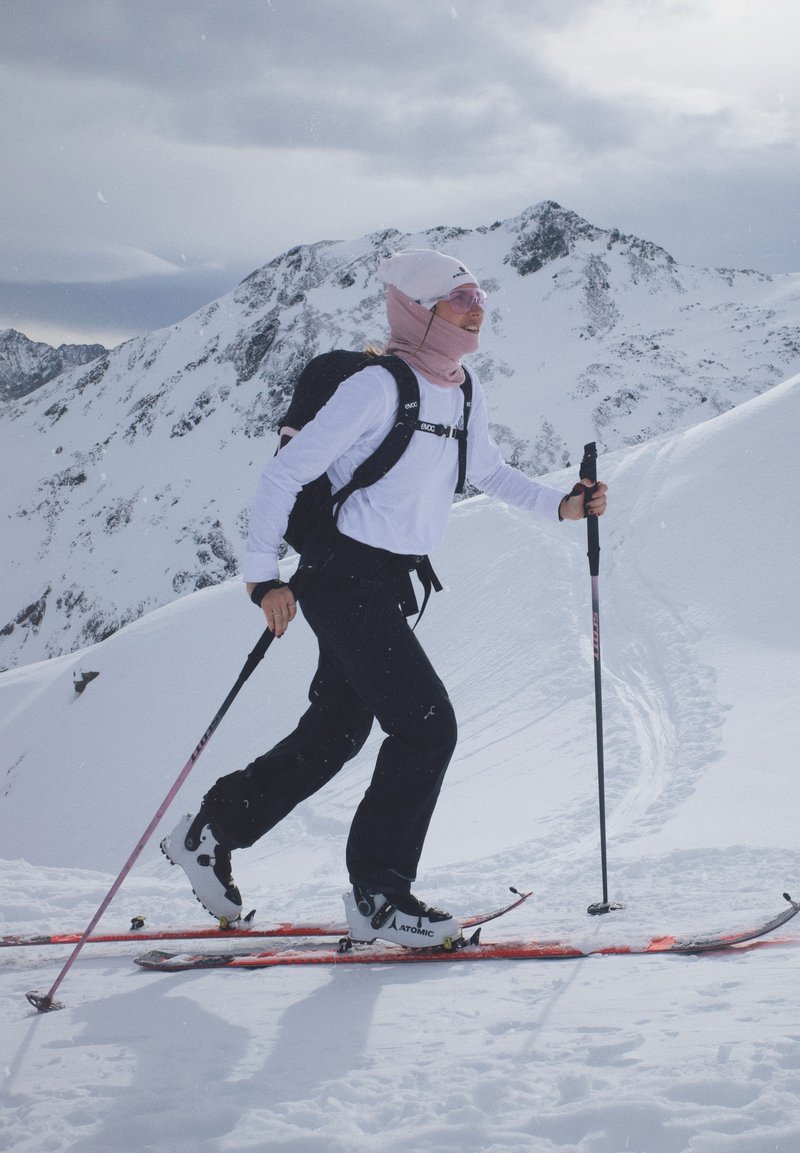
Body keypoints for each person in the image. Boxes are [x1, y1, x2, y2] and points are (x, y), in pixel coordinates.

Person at [162, 249, 608, 946]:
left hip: (384, 583)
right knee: (427, 727)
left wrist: (562, 505)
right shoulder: (376, 387)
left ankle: (211, 830)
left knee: (338, 731)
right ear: (418, 309)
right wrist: (263, 577)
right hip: (342, 579)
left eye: (480, 298)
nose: (476, 310)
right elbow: (283, 476)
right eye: (460, 298)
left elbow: (488, 471)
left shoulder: (461, 388)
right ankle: (379, 895)